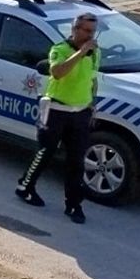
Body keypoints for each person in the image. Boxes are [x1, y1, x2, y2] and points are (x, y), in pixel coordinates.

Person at [15, 12, 101, 224]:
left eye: (93, 31)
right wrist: (80, 53)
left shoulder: (95, 53)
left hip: (80, 112)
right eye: (87, 31)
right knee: (45, 151)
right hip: (56, 110)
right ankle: (25, 186)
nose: (91, 36)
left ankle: (73, 204)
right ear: (75, 29)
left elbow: (93, 79)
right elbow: (58, 73)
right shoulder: (60, 49)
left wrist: (92, 104)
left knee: (76, 160)